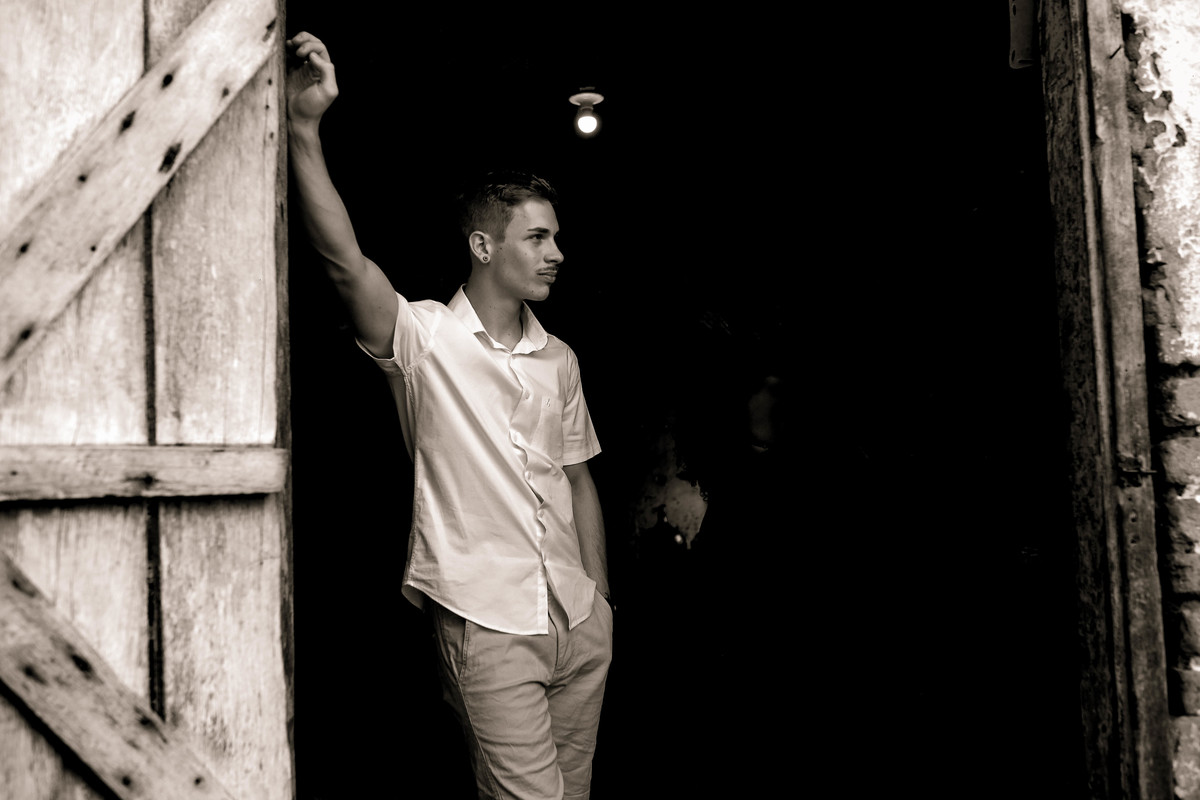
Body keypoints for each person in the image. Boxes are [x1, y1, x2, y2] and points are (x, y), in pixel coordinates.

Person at [286, 32, 614, 800]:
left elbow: (577, 478)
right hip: (488, 627)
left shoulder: (560, 359)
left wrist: (598, 599)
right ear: (483, 245)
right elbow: (345, 263)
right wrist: (304, 129)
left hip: (578, 626)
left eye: (556, 237)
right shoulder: (425, 338)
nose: (557, 252)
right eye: (538, 237)